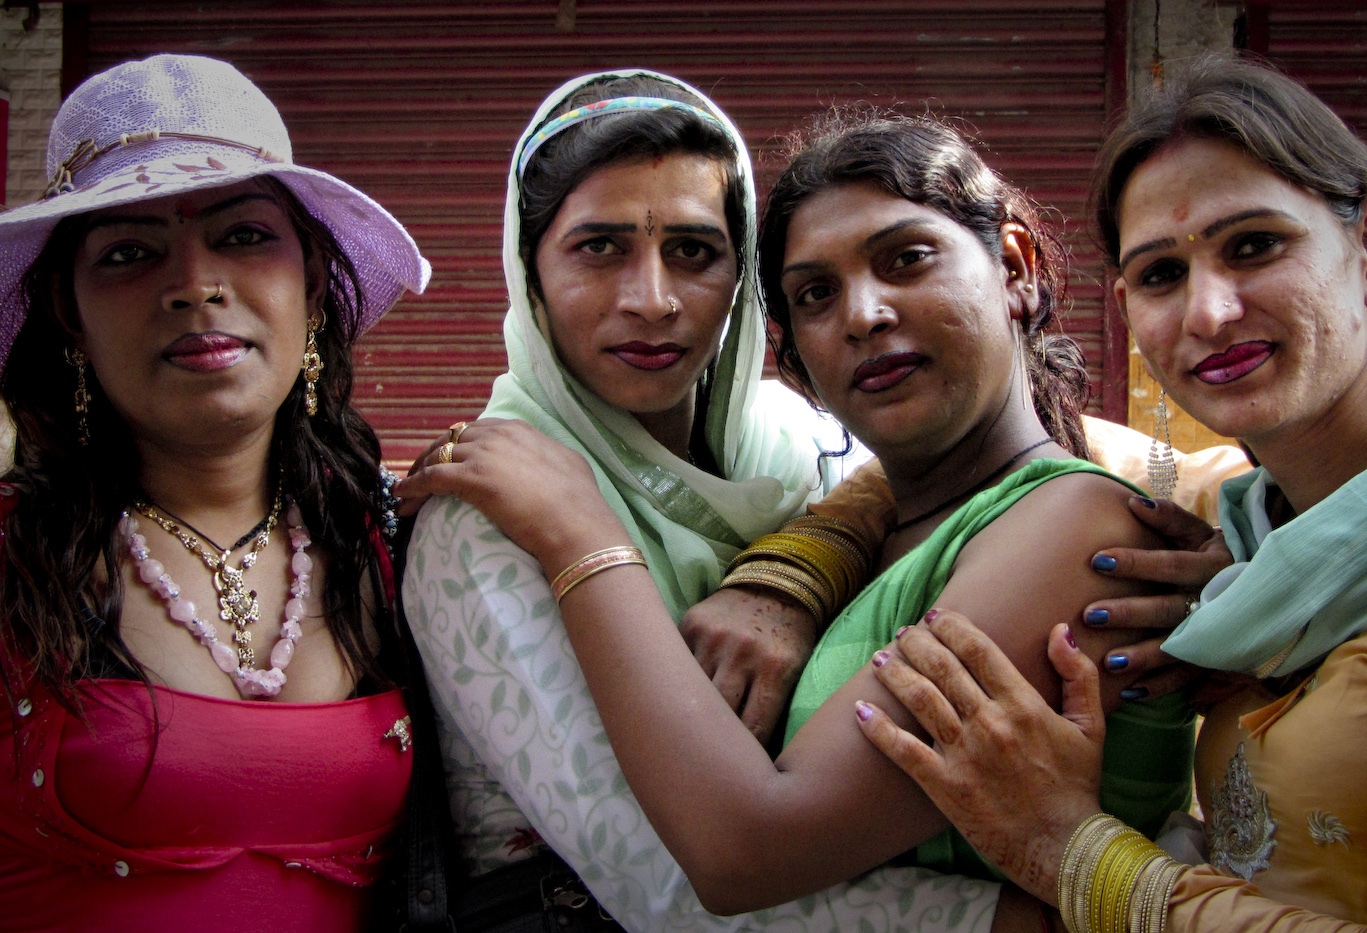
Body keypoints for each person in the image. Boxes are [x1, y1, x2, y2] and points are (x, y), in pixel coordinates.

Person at [400, 102, 1200, 928]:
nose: (651, 297)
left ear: (1015, 265)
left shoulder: (807, 462)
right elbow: (659, 873)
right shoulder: (490, 514)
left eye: (694, 250)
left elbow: (745, 848)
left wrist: (598, 538)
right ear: (526, 272)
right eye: (599, 246)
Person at [855, 55, 1367, 933]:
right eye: (1162, 274)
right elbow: (1054, 451)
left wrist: (1072, 848)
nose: (1210, 313)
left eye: (1254, 245)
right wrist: (798, 558)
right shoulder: (1240, 526)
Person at [0, 54, 431, 932]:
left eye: (242, 235)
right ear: (66, 312)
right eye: (129, 251)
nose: (195, 284)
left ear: (310, 282)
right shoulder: (14, 559)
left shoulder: (401, 543)